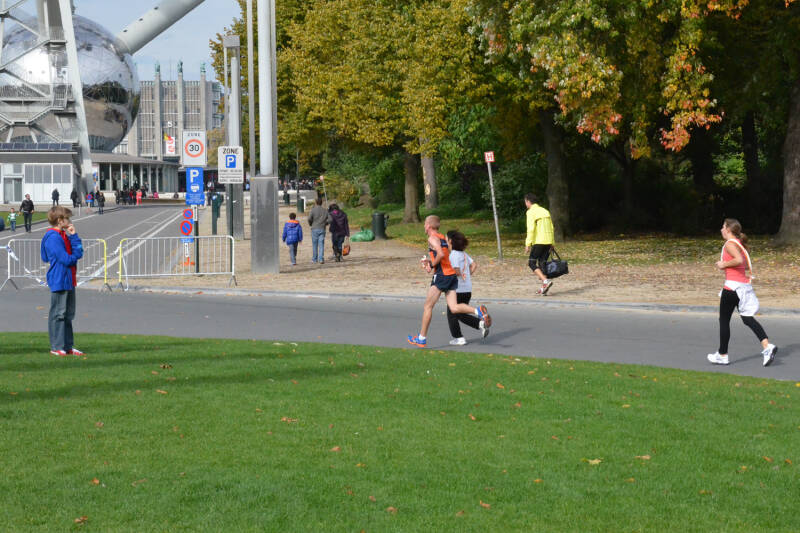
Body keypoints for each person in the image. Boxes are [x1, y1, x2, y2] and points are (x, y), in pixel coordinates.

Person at [407, 215, 492, 348]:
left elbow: (440, 255)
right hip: (451, 276)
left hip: (442, 276)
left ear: (428, 226)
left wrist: (433, 264)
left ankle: (421, 338)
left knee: (427, 307)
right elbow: (443, 258)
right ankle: (478, 311)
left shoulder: (432, 238)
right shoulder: (442, 238)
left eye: (424, 224)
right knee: (454, 308)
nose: (424, 226)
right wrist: (429, 263)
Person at [707, 218, 777, 367]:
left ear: (728, 230)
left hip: (732, 288)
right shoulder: (740, 245)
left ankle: (722, 355)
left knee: (724, 321)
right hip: (743, 288)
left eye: (722, 227)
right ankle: (767, 347)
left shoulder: (730, 244)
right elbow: (742, 264)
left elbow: (738, 261)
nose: (721, 230)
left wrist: (723, 264)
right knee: (747, 319)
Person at [40, 206, 84, 357]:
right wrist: (73, 257)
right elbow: (66, 258)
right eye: (67, 219)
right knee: (58, 313)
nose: (70, 221)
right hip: (59, 278)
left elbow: (79, 252)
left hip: (68, 278)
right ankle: (56, 346)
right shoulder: (53, 237)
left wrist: (74, 236)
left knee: (68, 314)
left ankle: (68, 345)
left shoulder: (64, 235)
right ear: (60, 220)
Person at [446, 231, 489, 345]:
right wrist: (468, 275)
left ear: (450, 241)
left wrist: (447, 276)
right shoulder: (464, 254)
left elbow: (456, 271)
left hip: (457, 289)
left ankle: (459, 338)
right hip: (467, 288)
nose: (445, 241)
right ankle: (480, 323)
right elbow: (474, 265)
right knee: (460, 314)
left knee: (451, 313)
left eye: (446, 239)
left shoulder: (453, 254)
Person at [524, 193, 555, 295]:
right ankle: (544, 288)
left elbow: (531, 229)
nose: (525, 204)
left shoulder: (531, 212)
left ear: (528, 201)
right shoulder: (545, 211)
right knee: (542, 263)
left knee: (531, 263)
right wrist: (553, 242)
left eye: (525, 202)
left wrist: (528, 243)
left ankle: (546, 281)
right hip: (548, 241)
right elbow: (551, 227)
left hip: (539, 241)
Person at [307, 197, 330, 264]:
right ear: (321, 203)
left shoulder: (313, 210)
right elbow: (330, 219)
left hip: (314, 228)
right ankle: (321, 259)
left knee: (315, 244)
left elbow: (309, 219)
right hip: (322, 228)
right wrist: (326, 223)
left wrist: (311, 224)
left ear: (316, 202)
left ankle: (314, 259)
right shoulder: (325, 210)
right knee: (321, 244)